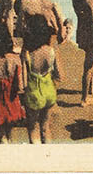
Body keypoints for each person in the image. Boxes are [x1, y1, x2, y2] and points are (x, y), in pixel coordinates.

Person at [21, 14, 60, 144]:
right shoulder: (50, 51)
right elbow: (60, 75)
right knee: (46, 128)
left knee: (33, 128)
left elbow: (23, 80)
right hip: (49, 92)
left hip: (33, 93)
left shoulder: (27, 53)